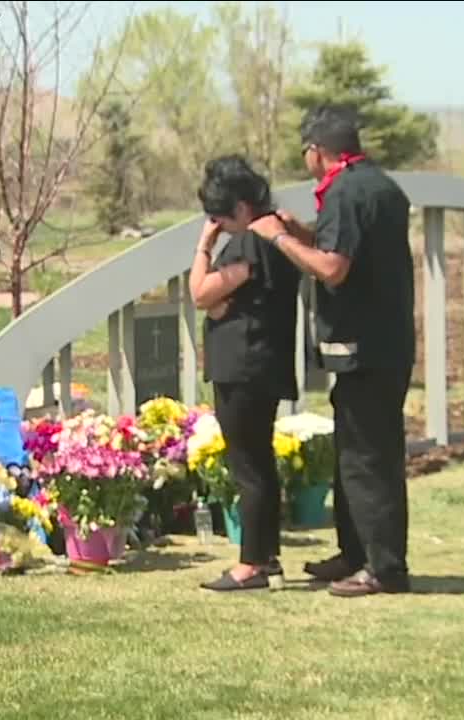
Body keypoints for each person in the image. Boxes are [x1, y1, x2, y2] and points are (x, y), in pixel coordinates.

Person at [247, 105, 415, 598]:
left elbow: (333, 267)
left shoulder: (342, 191)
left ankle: (385, 568)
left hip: (365, 347)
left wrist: (277, 237)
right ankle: (356, 552)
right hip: (388, 341)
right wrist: (302, 231)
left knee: (367, 459)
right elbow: (349, 248)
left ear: (317, 152)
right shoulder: (381, 185)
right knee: (357, 452)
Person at [189, 155, 301, 593]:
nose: (215, 222)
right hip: (266, 361)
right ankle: (267, 554)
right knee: (262, 462)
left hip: (243, 366)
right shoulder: (277, 235)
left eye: (218, 215)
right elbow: (217, 299)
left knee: (247, 466)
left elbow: (201, 293)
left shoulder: (249, 243)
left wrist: (203, 248)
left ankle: (251, 563)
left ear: (240, 207)